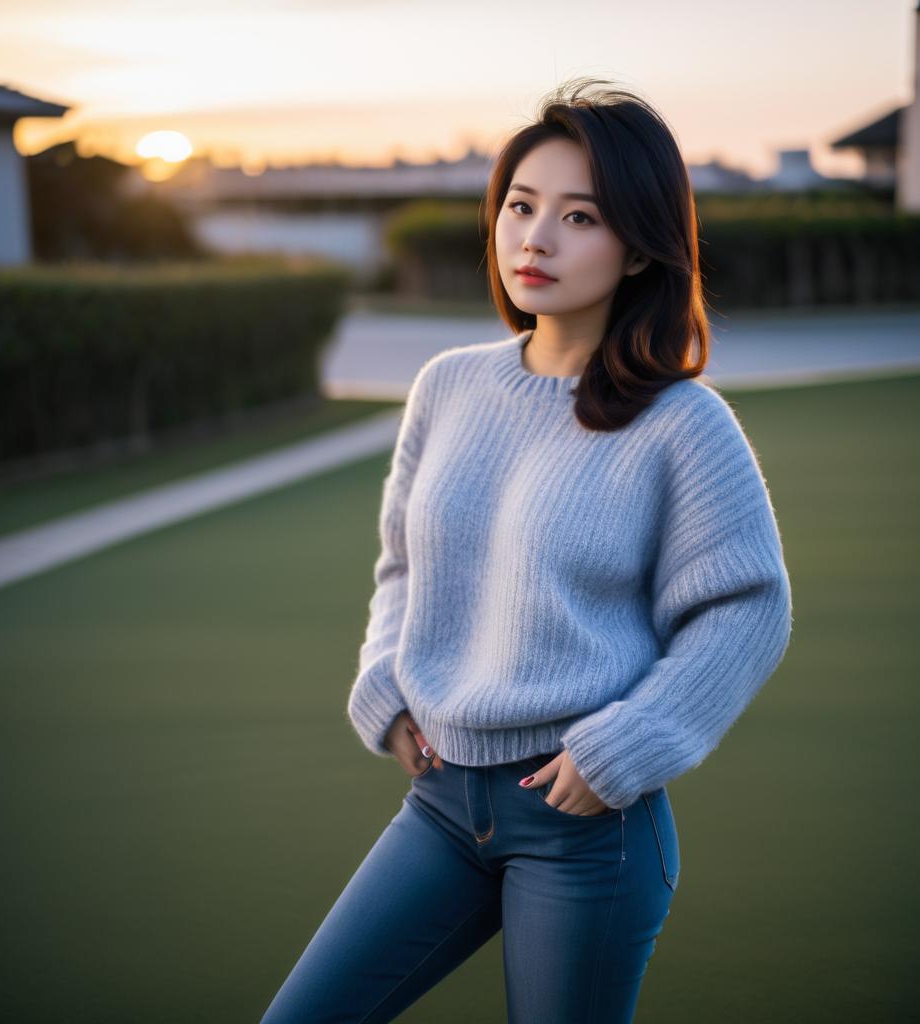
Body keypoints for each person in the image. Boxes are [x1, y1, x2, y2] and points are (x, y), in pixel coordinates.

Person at [259, 77, 793, 1024]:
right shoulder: (448, 386)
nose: (534, 239)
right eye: (520, 205)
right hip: (440, 806)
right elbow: (403, 566)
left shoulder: (682, 424)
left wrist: (628, 744)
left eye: (579, 216)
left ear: (638, 247)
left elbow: (749, 609)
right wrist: (385, 682)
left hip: (584, 824)